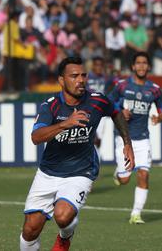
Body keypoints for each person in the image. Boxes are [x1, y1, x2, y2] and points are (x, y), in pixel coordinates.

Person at [19, 57, 135, 251]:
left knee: (62, 216)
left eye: (83, 75)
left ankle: (65, 237)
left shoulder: (97, 100)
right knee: (30, 229)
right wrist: (65, 123)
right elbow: (36, 137)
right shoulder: (51, 105)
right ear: (62, 80)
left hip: (81, 171)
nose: (80, 80)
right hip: (48, 172)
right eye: (74, 76)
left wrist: (127, 143)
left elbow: (115, 112)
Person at [108, 52, 162, 224]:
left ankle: (136, 214)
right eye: (138, 63)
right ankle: (118, 175)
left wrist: (158, 118)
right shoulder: (121, 85)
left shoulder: (154, 89)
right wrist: (119, 112)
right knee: (125, 179)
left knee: (143, 174)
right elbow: (109, 104)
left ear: (148, 67)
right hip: (124, 138)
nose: (141, 66)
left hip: (143, 139)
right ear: (133, 67)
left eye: (144, 63)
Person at [87, 56, 113, 149]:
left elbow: (116, 81)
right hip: (89, 111)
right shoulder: (87, 78)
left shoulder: (106, 78)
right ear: (93, 66)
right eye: (96, 65)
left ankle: (96, 161)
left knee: (98, 141)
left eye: (101, 65)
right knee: (90, 137)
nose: (99, 67)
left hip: (102, 112)